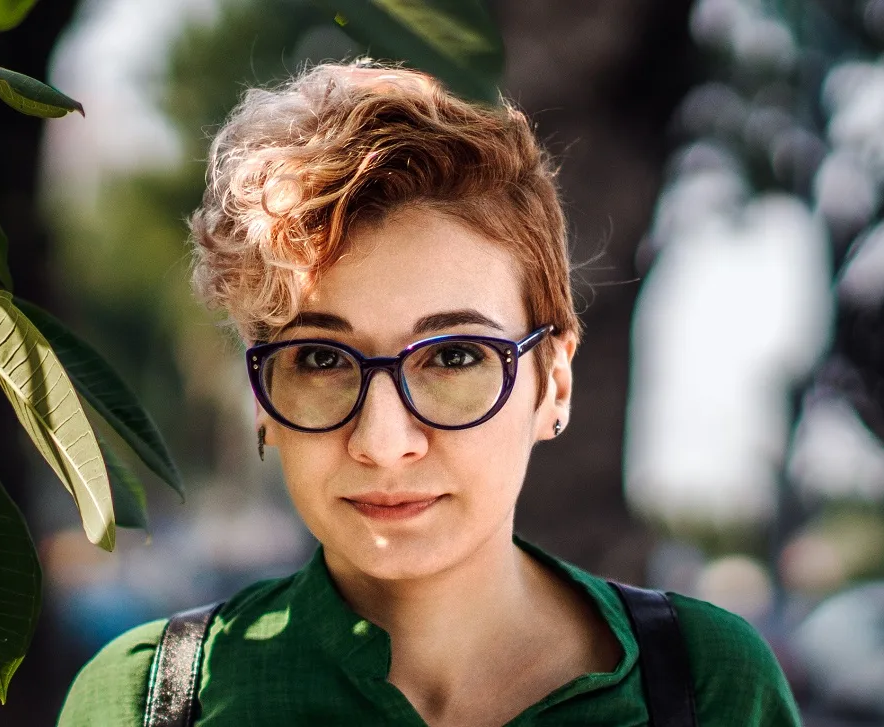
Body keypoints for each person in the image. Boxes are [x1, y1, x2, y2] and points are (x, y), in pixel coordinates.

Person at [58, 60, 801, 726]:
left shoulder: (707, 685)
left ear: (555, 381)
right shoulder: (148, 701)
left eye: (453, 355)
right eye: (321, 357)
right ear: (262, 394)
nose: (384, 441)